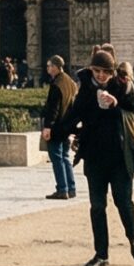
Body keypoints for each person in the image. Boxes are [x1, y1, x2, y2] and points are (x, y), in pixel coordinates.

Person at [66, 49, 134, 266]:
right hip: (95, 158)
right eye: (97, 70)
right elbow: (73, 116)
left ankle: (133, 236)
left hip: (119, 158)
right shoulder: (85, 90)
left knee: (123, 202)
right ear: (91, 69)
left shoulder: (121, 85)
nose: (101, 75)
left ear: (112, 71)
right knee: (97, 207)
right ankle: (101, 255)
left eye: (106, 72)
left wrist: (115, 103)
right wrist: (56, 130)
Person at [39, 55, 80, 202]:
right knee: (65, 157)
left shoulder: (57, 84)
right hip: (66, 126)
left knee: (57, 159)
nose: (47, 68)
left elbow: (54, 108)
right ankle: (71, 188)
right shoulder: (70, 82)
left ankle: (62, 189)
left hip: (57, 127)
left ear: (56, 67)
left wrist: (48, 127)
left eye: (49, 66)